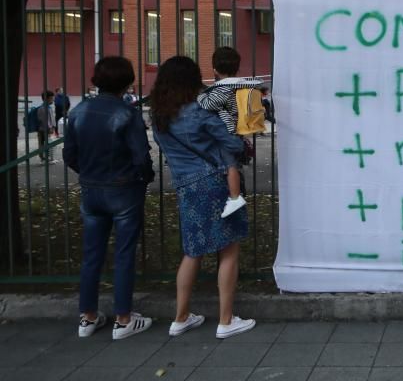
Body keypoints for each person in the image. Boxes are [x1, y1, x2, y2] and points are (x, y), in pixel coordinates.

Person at [150, 55, 256, 339]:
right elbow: (232, 143)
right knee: (229, 249)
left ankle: (180, 317)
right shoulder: (198, 112)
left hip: (185, 185)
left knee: (192, 251)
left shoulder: (158, 116)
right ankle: (225, 320)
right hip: (214, 183)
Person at [64, 57, 155, 340]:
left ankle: (88, 316)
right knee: (124, 253)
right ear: (127, 82)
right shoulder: (128, 114)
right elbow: (141, 156)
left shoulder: (78, 111)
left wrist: (88, 173)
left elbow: (70, 155)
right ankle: (123, 318)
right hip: (124, 188)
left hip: (91, 187)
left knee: (91, 254)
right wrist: (144, 176)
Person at [197, 47, 265, 219]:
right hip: (237, 127)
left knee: (230, 165)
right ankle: (235, 195)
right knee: (233, 163)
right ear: (237, 67)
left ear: (215, 69)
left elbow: (207, 104)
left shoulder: (222, 89)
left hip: (228, 129)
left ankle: (234, 198)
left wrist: (200, 96)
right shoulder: (240, 85)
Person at [36, 90, 56, 163]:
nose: (53, 99)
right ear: (47, 98)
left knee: (47, 144)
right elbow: (45, 120)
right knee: (44, 144)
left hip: (46, 129)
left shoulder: (48, 107)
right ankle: (44, 158)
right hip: (44, 129)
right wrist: (50, 128)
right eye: (52, 98)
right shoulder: (43, 108)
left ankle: (47, 158)